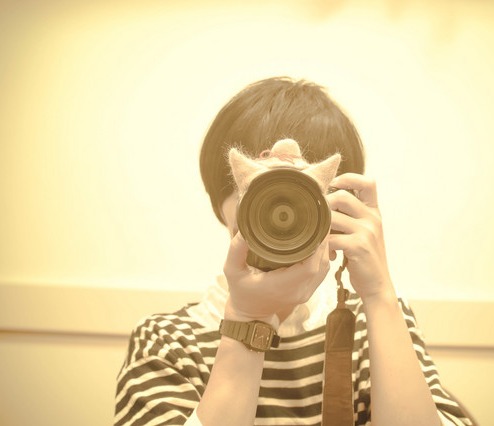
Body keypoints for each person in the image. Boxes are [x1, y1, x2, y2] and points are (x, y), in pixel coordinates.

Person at [115, 77, 473, 426]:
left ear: (337, 208)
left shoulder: (370, 327)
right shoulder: (167, 341)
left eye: (296, 192)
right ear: (222, 200)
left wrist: (380, 295)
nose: (280, 209)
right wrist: (246, 319)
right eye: (262, 189)